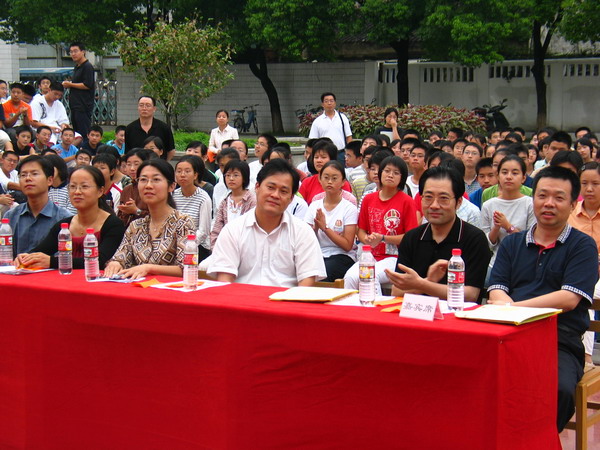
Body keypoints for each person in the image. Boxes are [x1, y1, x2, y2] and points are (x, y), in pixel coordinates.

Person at [487, 166, 598, 431]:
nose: (548, 203)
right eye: (542, 195)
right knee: (479, 379)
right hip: (508, 336)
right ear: (532, 199)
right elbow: (496, 289)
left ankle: (539, 439)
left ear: (573, 204)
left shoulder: (582, 246)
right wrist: (507, 306)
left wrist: (512, 307)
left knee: (559, 389)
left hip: (558, 339)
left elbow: (568, 299)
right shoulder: (512, 244)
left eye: (559, 198)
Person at [208, 159, 326, 287]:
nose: (275, 195)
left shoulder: (302, 232)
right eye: (270, 187)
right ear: (257, 187)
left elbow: (306, 281)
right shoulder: (233, 230)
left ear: (291, 198)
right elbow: (225, 280)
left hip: (285, 302)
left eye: (284, 191)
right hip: (241, 302)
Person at [385, 166, 490, 301]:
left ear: (458, 202)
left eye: (443, 198)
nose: (434, 205)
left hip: (456, 316)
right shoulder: (412, 238)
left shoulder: (474, 238)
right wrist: (429, 281)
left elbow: (471, 294)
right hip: (416, 316)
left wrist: (421, 284)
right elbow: (397, 290)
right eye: (428, 197)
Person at [15, 166, 125, 270]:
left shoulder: (113, 225)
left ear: (100, 191)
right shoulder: (64, 226)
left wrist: (51, 262)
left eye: (84, 186)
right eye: (72, 186)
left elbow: (99, 261)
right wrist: (26, 257)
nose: (77, 192)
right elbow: (41, 251)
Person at [104, 159, 195, 279]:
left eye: (156, 180)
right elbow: (120, 257)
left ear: (171, 186)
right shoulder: (136, 226)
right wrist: (115, 264)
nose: (148, 185)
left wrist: (149, 268)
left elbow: (187, 267)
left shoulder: (183, 222)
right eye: (143, 180)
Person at [344, 156, 418, 295]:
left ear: (402, 178)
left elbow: (410, 238)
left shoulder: (406, 201)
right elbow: (361, 230)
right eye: (387, 171)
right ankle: (351, 312)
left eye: (396, 173)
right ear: (380, 173)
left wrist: (383, 238)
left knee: (370, 275)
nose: (390, 175)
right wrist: (367, 239)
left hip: (396, 257)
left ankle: (375, 312)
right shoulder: (368, 199)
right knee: (350, 277)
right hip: (370, 255)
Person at [480, 155, 535, 283]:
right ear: (498, 176)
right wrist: (497, 227)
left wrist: (508, 226)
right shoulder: (489, 205)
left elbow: (531, 241)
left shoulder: (530, 204)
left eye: (515, 173)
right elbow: (486, 244)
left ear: (523, 178)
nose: (509, 176)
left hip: (523, 263)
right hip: (496, 262)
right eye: (504, 172)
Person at [4, 155, 72, 256]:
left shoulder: (64, 218)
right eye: (23, 175)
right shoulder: (10, 216)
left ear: (49, 180)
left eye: (34, 174)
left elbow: (66, 258)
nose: (28, 178)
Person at [304, 161, 358, 282]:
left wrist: (325, 228)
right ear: (320, 179)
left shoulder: (349, 208)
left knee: (324, 272)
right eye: (326, 178)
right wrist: (316, 228)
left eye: (334, 178)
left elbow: (347, 245)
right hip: (318, 254)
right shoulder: (314, 205)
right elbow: (306, 239)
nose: (329, 182)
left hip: (342, 256)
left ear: (343, 182)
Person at [173, 155, 212, 259]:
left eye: (187, 171)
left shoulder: (203, 198)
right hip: (174, 245)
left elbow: (203, 232)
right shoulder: (172, 195)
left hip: (197, 246)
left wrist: (185, 245)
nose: (182, 175)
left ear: (195, 175)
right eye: (179, 171)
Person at [210, 159, 256, 248]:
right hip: (225, 247)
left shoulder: (252, 200)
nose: (231, 179)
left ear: (244, 177)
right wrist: (215, 248)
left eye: (236, 175)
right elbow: (217, 228)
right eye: (227, 175)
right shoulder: (225, 201)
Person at [125, 96, 176, 160]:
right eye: (141, 105)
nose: (144, 108)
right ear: (138, 108)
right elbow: (127, 152)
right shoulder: (130, 128)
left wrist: (163, 164)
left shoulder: (164, 128)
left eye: (148, 105)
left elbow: (171, 151)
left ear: (154, 108)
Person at [63, 43, 95, 138]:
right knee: (76, 134)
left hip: (83, 106)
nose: (73, 54)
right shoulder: (77, 67)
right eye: (71, 52)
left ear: (83, 52)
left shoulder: (87, 66)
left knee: (83, 134)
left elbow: (87, 85)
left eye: (75, 51)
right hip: (75, 105)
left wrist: (70, 84)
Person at [117, 148, 153, 227]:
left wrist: (136, 211)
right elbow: (120, 217)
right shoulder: (127, 189)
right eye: (129, 164)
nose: (132, 168)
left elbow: (159, 215)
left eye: (136, 164)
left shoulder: (152, 188)